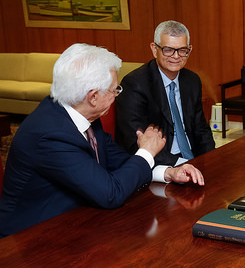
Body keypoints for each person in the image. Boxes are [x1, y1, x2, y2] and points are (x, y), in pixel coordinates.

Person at [0, 43, 205, 238]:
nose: (117, 94)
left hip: (78, 221)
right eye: (115, 89)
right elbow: (110, 194)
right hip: (30, 238)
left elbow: (117, 160)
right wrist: (146, 152)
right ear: (93, 97)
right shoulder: (50, 135)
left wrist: (168, 172)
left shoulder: (82, 113)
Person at [116, 20, 215, 176]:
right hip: (160, 164)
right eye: (168, 50)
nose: (176, 56)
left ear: (189, 50)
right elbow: (136, 141)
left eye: (182, 50)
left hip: (192, 159)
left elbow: (201, 129)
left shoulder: (192, 80)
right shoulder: (135, 84)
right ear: (154, 49)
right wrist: (179, 165)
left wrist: (211, 159)